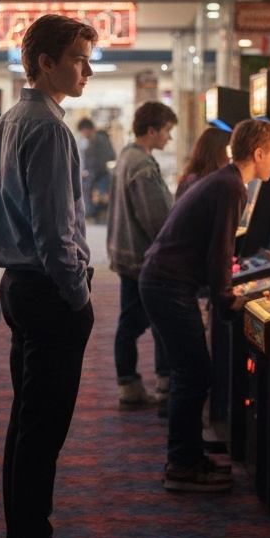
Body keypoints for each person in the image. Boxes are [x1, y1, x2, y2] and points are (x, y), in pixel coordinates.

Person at [0, 14, 104, 538]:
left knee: (26, 426)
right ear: (45, 62)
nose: (87, 69)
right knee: (42, 431)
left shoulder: (12, 118)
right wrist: (78, 295)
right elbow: (57, 231)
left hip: (17, 283)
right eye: (79, 58)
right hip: (48, 290)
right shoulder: (51, 129)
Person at [140, 117, 270, 492]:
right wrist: (226, 301)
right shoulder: (232, 187)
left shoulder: (224, 180)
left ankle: (188, 455)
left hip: (164, 282)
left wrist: (226, 296)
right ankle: (181, 466)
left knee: (191, 375)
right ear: (257, 153)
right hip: (167, 286)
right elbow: (220, 251)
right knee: (193, 376)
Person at [106, 100, 178, 410]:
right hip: (142, 259)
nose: (169, 138)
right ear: (152, 130)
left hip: (127, 254)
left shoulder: (128, 155)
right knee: (138, 322)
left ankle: (142, 381)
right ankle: (132, 384)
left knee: (138, 321)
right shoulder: (142, 166)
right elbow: (156, 219)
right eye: (167, 131)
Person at [175, 123, 232, 201]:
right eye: (229, 150)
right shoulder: (203, 183)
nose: (231, 157)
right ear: (218, 152)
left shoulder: (190, 179)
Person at [77, 117, 115, 220]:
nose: (83, 135)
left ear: (87, 129)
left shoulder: (97, 141)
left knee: (88, 188)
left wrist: (90, 174)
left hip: (101, 175)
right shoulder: (103, 138)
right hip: (104, 173)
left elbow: (96, 162)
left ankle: (92, 214)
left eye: (83, 132)